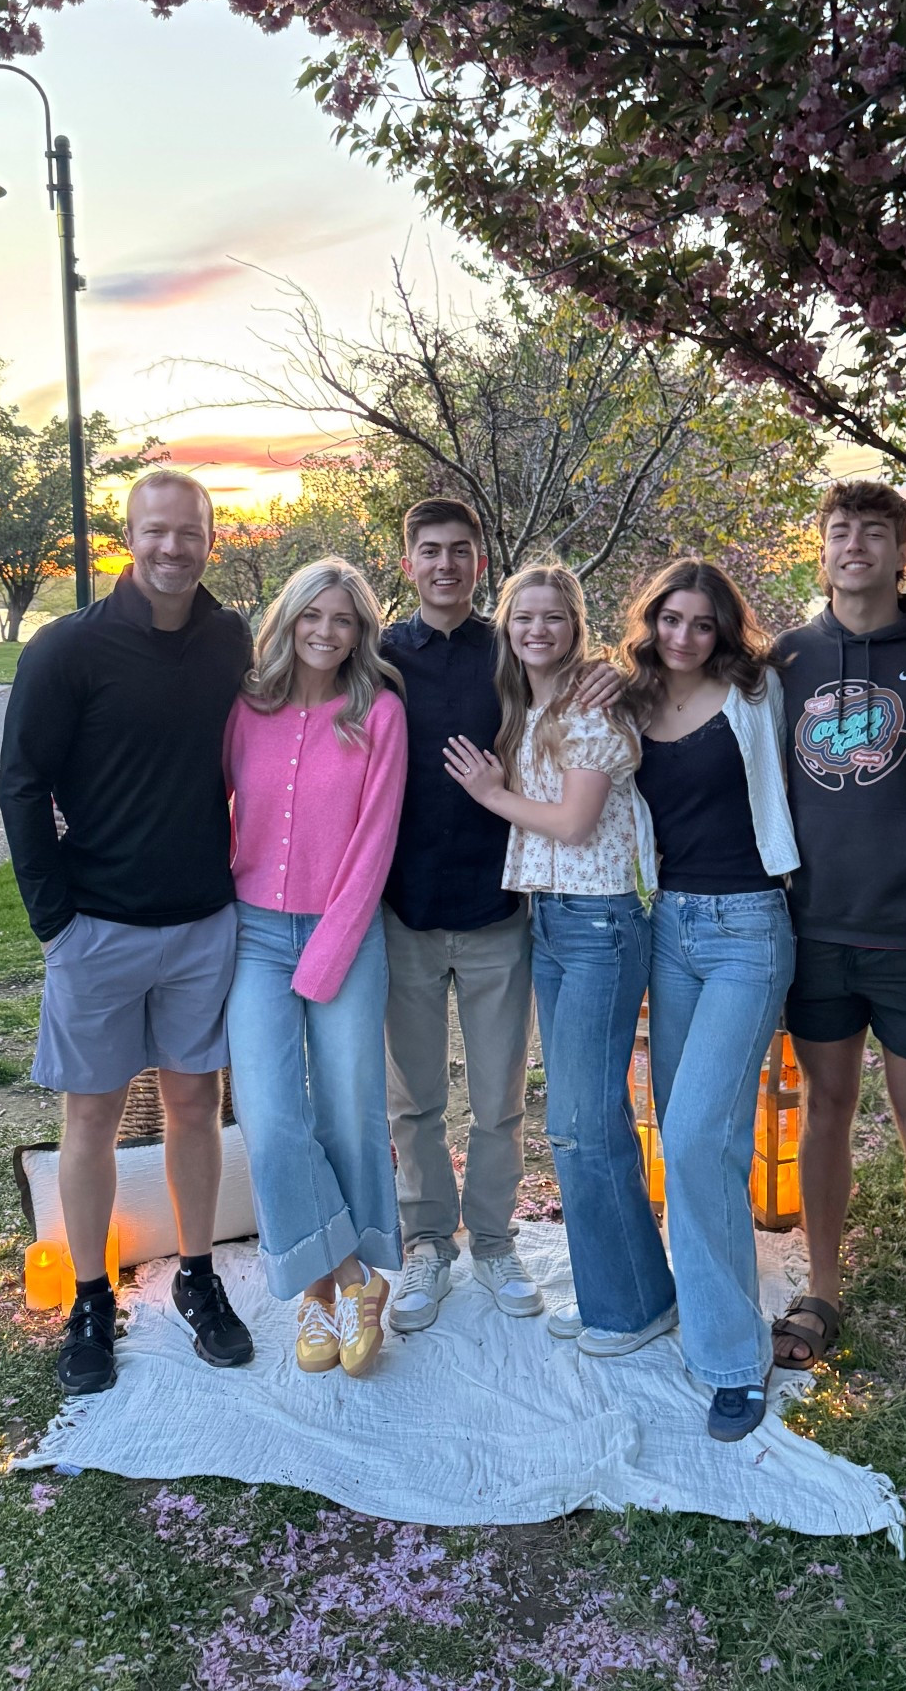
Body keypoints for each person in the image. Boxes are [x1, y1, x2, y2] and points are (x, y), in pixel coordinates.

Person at [0, 469, 255, 1397]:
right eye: (156, 531)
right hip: (95, 930)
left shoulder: (232, 641)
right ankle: (92, 1296)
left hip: (201, 922)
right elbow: (22, 784)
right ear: (128, 537)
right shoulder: (67, 650)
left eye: (189, 531)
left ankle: (196, 1274)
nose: (173, 547)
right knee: (93, 1118)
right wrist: (53, 923)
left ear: (210, 538)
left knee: (195, 1108)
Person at [380, 499, 619, 1333]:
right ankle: (425, 1244)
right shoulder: (379, 657)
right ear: (407, 562)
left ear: (481, 564)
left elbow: (580, 676)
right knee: (411, 1101)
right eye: (429, 551)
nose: (445, 565)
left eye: (461, 552)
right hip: (402, 911)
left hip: (498, 910)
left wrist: (614, 670)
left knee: (498, 1098)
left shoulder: (509, 650)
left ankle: (489, 1238)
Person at [442, 564, 677, 1356]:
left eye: (553, 617)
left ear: (577, 626)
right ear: (506, 627)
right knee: (586, 1118)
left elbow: (575, 824)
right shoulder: (533, 703)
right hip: (553, 922)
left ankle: (631, 1307)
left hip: (601, 923)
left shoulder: (587, 705)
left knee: (578, 1122)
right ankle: (630, 1289)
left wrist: (489, 793)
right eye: (523, 618)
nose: (536, 630)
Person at [772, 481, 906, 1409]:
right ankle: (823, 1290)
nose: (854, 545)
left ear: (901, 552)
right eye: (839, 529)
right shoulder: (787, 658)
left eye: (874, 532)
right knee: (826, 1109)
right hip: (812, 929)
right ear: (823, 549)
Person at [621, 560, 799, 1440]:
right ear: (651, 623)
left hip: (749, 930)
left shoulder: (757, 691)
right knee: (692, 1134)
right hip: (672, 929)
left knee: (696, 1136)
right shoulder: (634, 701)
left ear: (724, 631)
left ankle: (734, 1361)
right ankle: (709, 1312)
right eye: (671, 620)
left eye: (701, 624)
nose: (684, 636)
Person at [222, 557, 407, 1378]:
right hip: (254, 933)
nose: (327, 633)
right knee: (268, 1121)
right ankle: (345, 1279)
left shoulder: (381, 714)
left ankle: (327, 1298)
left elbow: (375, 841)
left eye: (343, 620)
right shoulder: (247, 708)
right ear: (288, 619)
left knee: (351, 1112)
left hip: (347, 931)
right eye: (313, 617)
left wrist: (329, 950)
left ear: (360, 631)